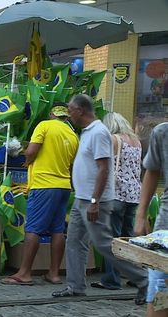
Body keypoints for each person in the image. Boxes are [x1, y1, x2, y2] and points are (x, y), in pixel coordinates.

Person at [52, 94, 148, 305]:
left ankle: (144, 281)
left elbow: (104, 167)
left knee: (103, 244)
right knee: (75, 242)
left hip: (95, 201)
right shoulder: (87, 132)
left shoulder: (99, 132)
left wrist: (95, 201)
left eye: (70, 110)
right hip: (82, 199)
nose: (69, 114)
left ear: (81, 110)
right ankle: (75, 286)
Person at [1, 104, 78, 286]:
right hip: (64, 186)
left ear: (52, 114)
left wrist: (25, 158)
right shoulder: (73, 136)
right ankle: (54, 273)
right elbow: (72, 165)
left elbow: (33, 151)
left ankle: (25, 273)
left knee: (33, 228)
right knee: (57, 230)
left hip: (43, 185)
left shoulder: (44, 126)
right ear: (66, 117)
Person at [92, 112, 142, 290]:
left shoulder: (114, 140)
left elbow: (104, 167)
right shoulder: (136, 142)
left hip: (117, 194)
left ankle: (111, 279)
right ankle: (135, 276)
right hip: (134, 194)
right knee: (128, 238)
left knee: (112, 239)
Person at [134, 122, 168, 317]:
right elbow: (152, 171)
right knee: (161, 290)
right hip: (165, 230)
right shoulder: (162, 132)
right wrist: (141, 214)